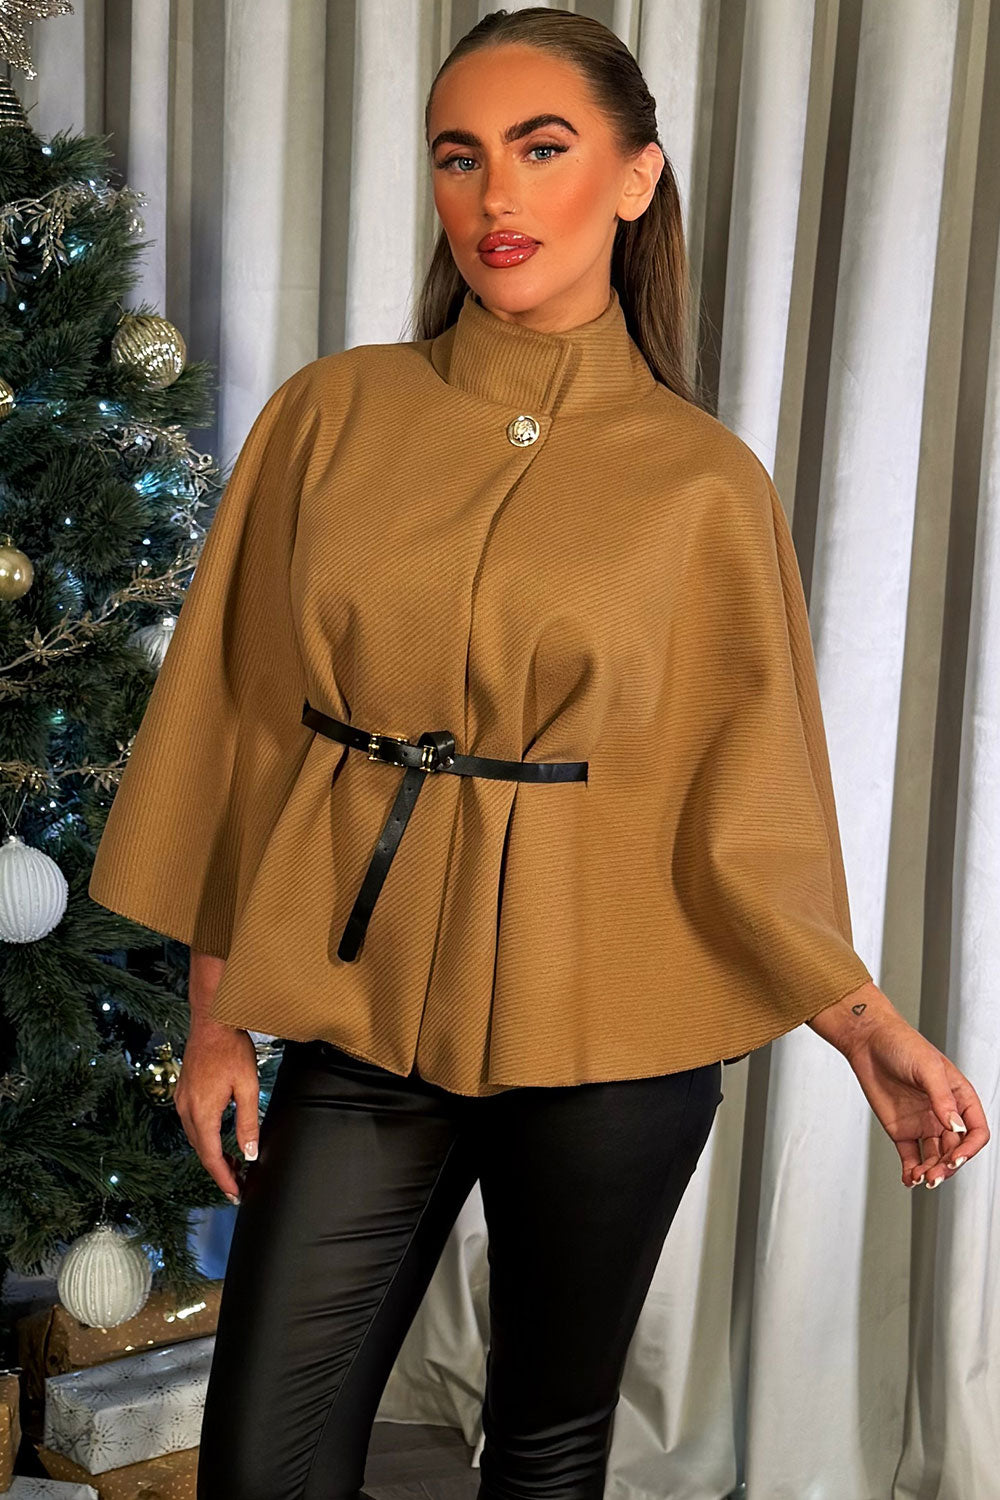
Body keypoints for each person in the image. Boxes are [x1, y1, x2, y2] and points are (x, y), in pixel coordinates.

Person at [86, 10, 989, 1500]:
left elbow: (748, 797)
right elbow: (241, 725)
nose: (495, 196)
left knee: (548, 1452)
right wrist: (215, 1016)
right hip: (367, 1010)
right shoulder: (333, 415)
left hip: (613, 1020)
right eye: (460, 157)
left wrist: (861, 1020)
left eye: (541, 149)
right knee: (263, 1462)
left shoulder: (705, 485)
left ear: (636, 178)